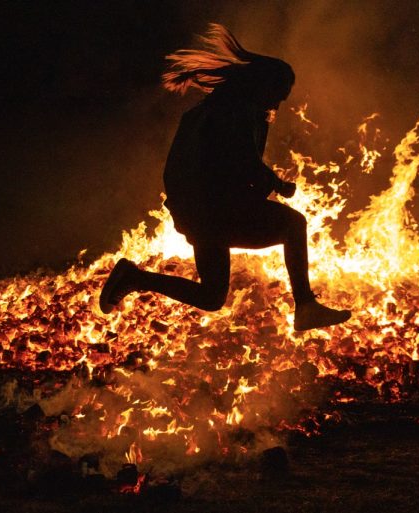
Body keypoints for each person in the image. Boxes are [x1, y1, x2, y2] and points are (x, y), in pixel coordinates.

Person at [100, 24, 350, 331]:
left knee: (211, 296)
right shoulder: (235, 111)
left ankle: (134, 277)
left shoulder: (219, 108)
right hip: (213, 210)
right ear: (262, 85)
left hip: (201, 213)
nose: (278, 104)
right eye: (278, 94)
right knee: (293, 225)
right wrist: (277, 184)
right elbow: (239, 159)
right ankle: (306, 307)